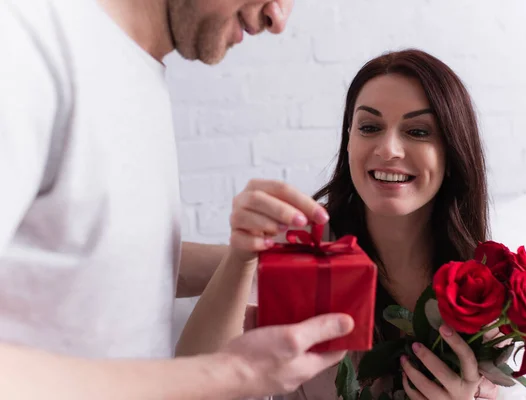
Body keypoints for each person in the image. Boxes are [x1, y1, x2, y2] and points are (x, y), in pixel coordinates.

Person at [0, 0, 355, 398]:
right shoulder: (24, 41)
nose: (277, 18)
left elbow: (101, 259)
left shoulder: (134, 68)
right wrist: (233, 373)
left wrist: (259, 260)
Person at [177, 49, 501, 399]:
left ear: (452, 153)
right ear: (349, 142)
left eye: (418, 131)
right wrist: (241, 256)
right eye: (370, 127)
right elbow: (189, 386)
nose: (389, 148)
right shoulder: (299, 249)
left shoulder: (489, 295)